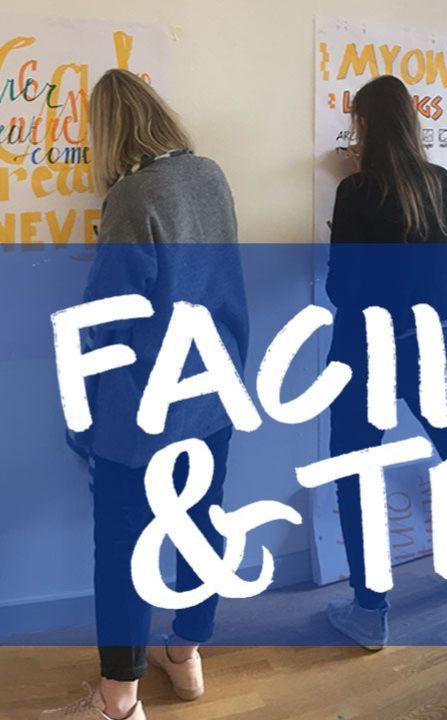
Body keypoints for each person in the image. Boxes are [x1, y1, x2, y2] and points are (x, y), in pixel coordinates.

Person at [43, 70, 248, 720]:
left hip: (143, 411)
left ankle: (119, 701)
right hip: (213, 392)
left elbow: (104, 318)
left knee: (125, 550)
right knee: (201, 526)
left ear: (108, 133)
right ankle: (185, 656)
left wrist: (80, 419)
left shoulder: (133, 196)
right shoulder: (210, 176)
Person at [323, 75, 447, 652]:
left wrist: (352, 198)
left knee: (357, 466)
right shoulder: (440, 183)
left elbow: (341, 288)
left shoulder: (357, 191)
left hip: (369, 346)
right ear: (411, 121)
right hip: (435, 339)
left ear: (363, 124)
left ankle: (369, 610)